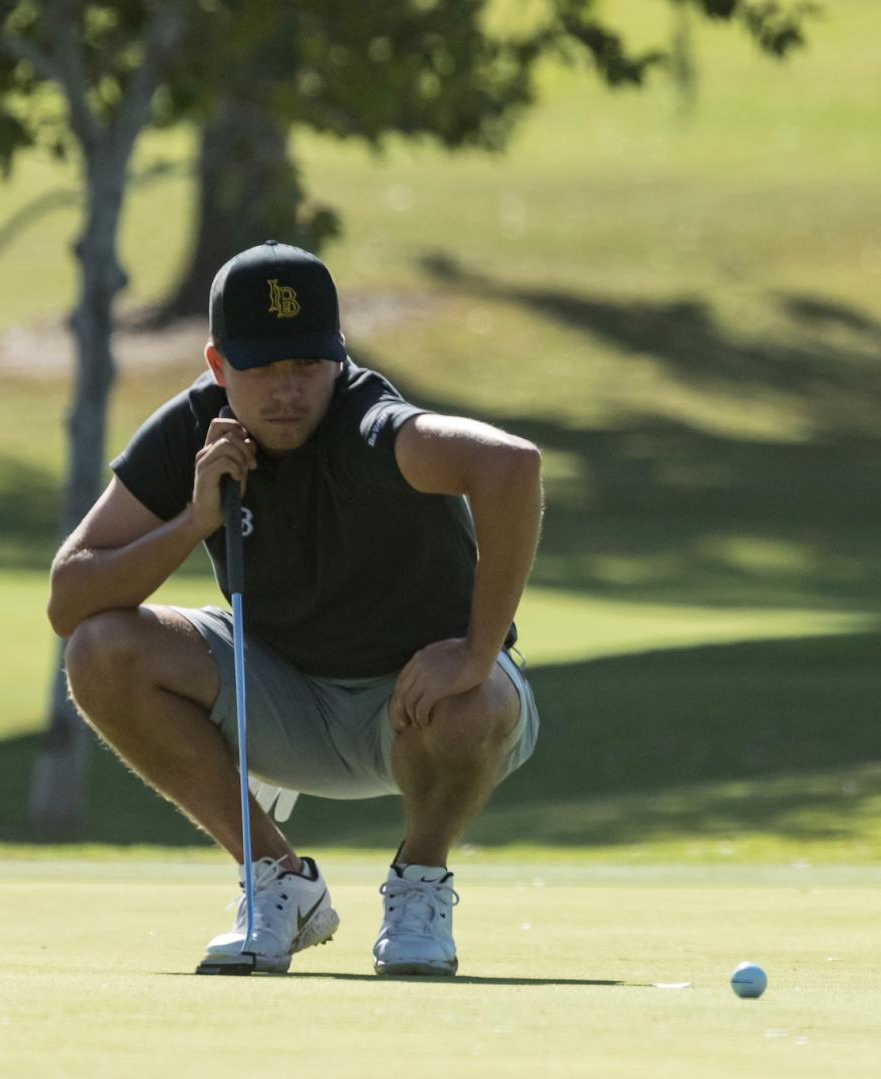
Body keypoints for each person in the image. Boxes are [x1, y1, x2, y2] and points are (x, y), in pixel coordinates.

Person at [46, 241, 544, 976]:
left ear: (337, 359)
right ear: (218, 367)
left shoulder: (371, 427)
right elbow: (70, 598)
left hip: (417, 707)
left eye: (307, 365)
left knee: (477, 700)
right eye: (263, 369)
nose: (288, 390)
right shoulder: (192, 429)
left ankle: (420, 884)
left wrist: (477, 650)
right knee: (100, 650)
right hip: (276, 696)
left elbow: (510, 465)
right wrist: (192, 524)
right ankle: (279, 882)